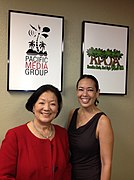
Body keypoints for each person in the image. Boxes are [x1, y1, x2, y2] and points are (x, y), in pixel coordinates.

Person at [0, 84, 71, 180]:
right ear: (33, 106)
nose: (46, 108)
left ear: (57, 109)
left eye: (53, 104)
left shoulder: (62, 134)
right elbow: (4, 176)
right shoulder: (15, 136)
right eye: (42, 103)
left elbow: (66, 171)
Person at [67, 74, 114, 180]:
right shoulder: (73, 113)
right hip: (70, 175)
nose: (84, 94)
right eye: (81, 89)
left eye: (90, 90)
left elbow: (106, 163)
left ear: (97, 93)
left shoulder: (103, 121)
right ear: (76, 92)